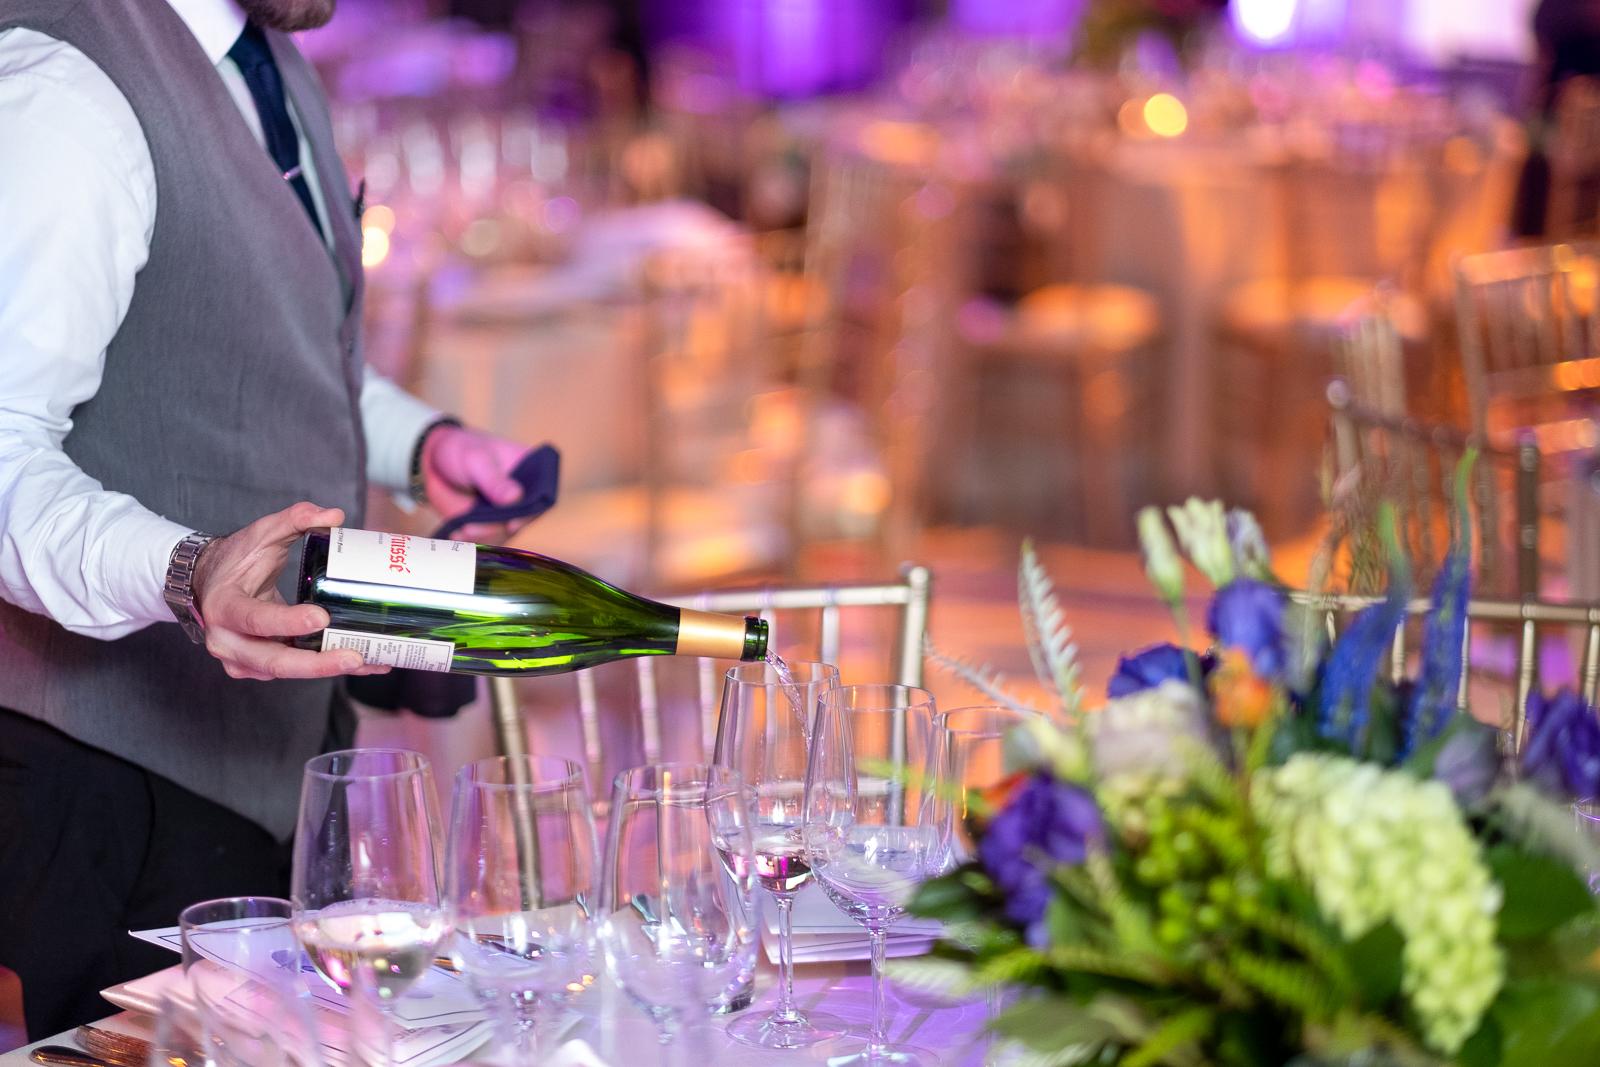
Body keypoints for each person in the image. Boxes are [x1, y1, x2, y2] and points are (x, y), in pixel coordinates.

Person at [0, 0, 529, 1038]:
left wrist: (426, 445)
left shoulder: (267, 56)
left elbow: (276, 333)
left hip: (257, 763)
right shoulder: (63, 89)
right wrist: (187, 570)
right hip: (114, 783)